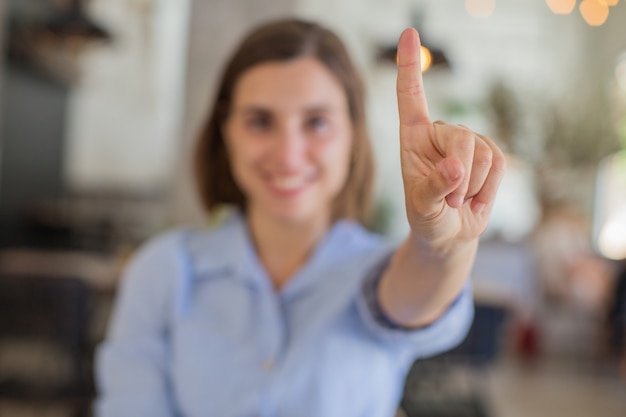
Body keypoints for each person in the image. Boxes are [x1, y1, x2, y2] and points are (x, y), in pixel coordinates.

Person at [95, 18, 505, 417]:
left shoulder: (379, 275)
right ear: (226, 133)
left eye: (317, 122)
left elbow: (418, 292)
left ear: (352, 137)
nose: (288, 153)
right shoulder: (163, 269)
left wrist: (442, 245)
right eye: (260, 121)